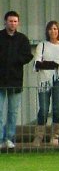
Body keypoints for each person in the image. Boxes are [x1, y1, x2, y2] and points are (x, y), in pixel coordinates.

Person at [0, 10, 34, 149]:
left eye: (15, 21)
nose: (12, 23)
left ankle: (9, 138)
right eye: (10, 21)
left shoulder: (22, 39)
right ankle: (0, 139)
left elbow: (28, 56)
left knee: (12, 112)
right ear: (5, 22)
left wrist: (15, 60)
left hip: (15, 80)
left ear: (18, 23)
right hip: (0, 80)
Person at [32, 21, 59, 146]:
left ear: (58, 31)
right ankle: (39, 135)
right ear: (47, 31)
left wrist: (46, 63)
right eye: (50, 29)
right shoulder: (42, 45)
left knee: (57, 108)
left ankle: (55, 136)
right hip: (44, 81)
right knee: (43, 109)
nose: (53, 31)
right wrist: (50, 64)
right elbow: (37, 63)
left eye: (55, 29)